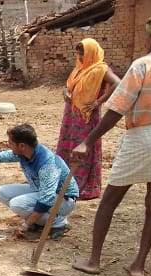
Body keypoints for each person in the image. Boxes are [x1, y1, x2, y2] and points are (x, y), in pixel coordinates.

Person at [70, 9, 151, 276]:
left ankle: (94, 260)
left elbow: (117, 108)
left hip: (141, 137)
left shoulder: (143, 65)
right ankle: (138, 265)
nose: (144, 40)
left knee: (110, 200)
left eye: (146, 35)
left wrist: (88, 141)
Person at [0, 124, 79, 239]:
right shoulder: (23, 152)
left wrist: (26, 225)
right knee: (2, 192)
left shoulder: (47, 164)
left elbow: (46, 199)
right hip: (41, 190)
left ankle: (59, 223)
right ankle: (40, 222)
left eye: (11, 143)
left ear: (21, 145)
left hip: (63, 199)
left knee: (17, 204)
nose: (9, 146)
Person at [55, 38, 120, 200]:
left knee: (83, 147)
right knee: (68, 145)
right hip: (71, 114)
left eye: (82, 54)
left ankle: (81, 184)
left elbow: (117, 83)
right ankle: (64, 181)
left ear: (91, 53)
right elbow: (69, 85)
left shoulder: (100, 69)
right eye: (77, 54)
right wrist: (66, 92)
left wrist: (99, 102)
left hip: (86, 116)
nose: (79, 57)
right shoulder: (79, 68)